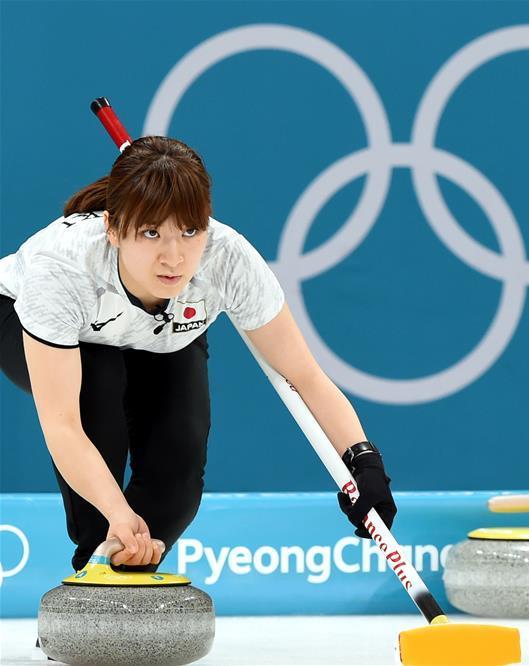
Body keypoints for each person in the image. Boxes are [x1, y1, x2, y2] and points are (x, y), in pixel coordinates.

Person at [0, 135, 396, 571]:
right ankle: (90, 585)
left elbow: (305, 378)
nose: (174, 257)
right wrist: (117, 515)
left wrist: (365, 462)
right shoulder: (63, 268)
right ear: (113, 229)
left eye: (190, 231)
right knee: (100, 385)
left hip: (159, 336)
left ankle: (126, 581)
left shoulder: (227, 260)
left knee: (177, 478)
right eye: (151, 233)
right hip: (31, 324)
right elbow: (63, 425)